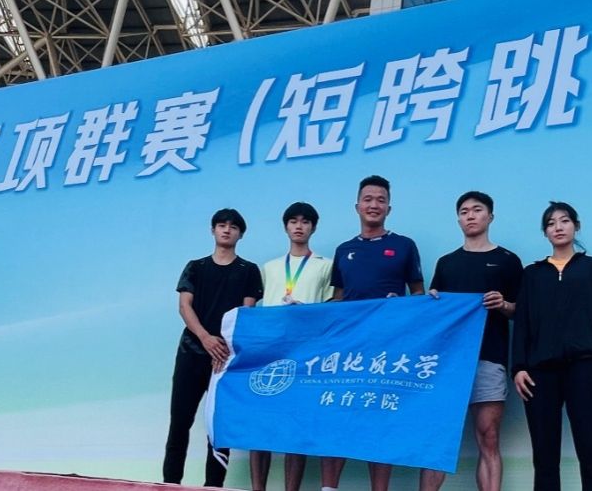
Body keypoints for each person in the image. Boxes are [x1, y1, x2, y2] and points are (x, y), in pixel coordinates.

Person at [322, 175, 424, 491]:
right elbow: (338, 300)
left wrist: (401, 306)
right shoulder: (344, 250)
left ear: (389, 208)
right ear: (357, 206)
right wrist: (304, 313)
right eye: (368, 199)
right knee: (338, 414)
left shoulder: (404, 246)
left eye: (380, 200)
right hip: (348, 348)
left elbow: (418, 296)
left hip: (387, 347)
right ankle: (329, 488)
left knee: (379, 418)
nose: (374, 205)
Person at [511, 202, 592, 491]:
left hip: (586, 366)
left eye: (564, 220)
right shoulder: (532, 274)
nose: (558, 227)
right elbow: (522, 324)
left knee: (591, 447)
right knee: (544, 454)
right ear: (545, 232)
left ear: (576, 226)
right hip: (540, 371)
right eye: (551, 223)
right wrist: (518, 367)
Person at [422, 191, 522, 491]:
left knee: (488, 435)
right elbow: (434, 314)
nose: (470, 216)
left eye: (477, 210)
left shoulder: (507, 261)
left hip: (488, 358)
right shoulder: (446, 262)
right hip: (447, 363)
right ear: (458, 220)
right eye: (464, 211)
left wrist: (503, 304)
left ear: (490, 216)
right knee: (437, 438)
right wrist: (432, 301)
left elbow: (523, 311)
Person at [163, 208, 263, 487]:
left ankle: (214, 486)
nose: (226, 230)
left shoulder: (249, 271)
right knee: (179, 422)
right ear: (213, 230)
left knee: (219, 427)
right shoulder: (195, 267)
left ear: (241, 234)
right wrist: (205, 338)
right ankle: (169, 483)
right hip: (191, 353)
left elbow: (246, 314)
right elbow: (184, 306)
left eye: (233, 226)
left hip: (224, 359)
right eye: (221, 225)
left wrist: (226, 346)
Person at [250, 202, 334, 491]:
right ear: (285, 226)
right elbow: (256, 310)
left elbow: (333, 307)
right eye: (293, 221)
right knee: (261, 425)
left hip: (305, 354)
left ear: (313, 227)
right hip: (269, 353)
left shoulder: (325, 265)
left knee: (295, 426)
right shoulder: (270, 267)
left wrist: (307, 312)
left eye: (305, 221)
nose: (299, 226)